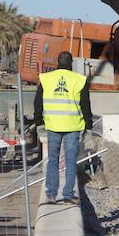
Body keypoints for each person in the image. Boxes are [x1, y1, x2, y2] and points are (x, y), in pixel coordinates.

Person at [33, 51, 93, 203]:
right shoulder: (79, 80)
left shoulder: (47, 79)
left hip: (53, 125)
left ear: (57, 62)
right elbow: (85, 105)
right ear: (71, 63)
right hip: (73, 126)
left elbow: (37, 102)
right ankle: (68, 194)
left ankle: (51, 194)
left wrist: (38, 121)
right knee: (71, 160)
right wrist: (88, 125)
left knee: (52, 160)